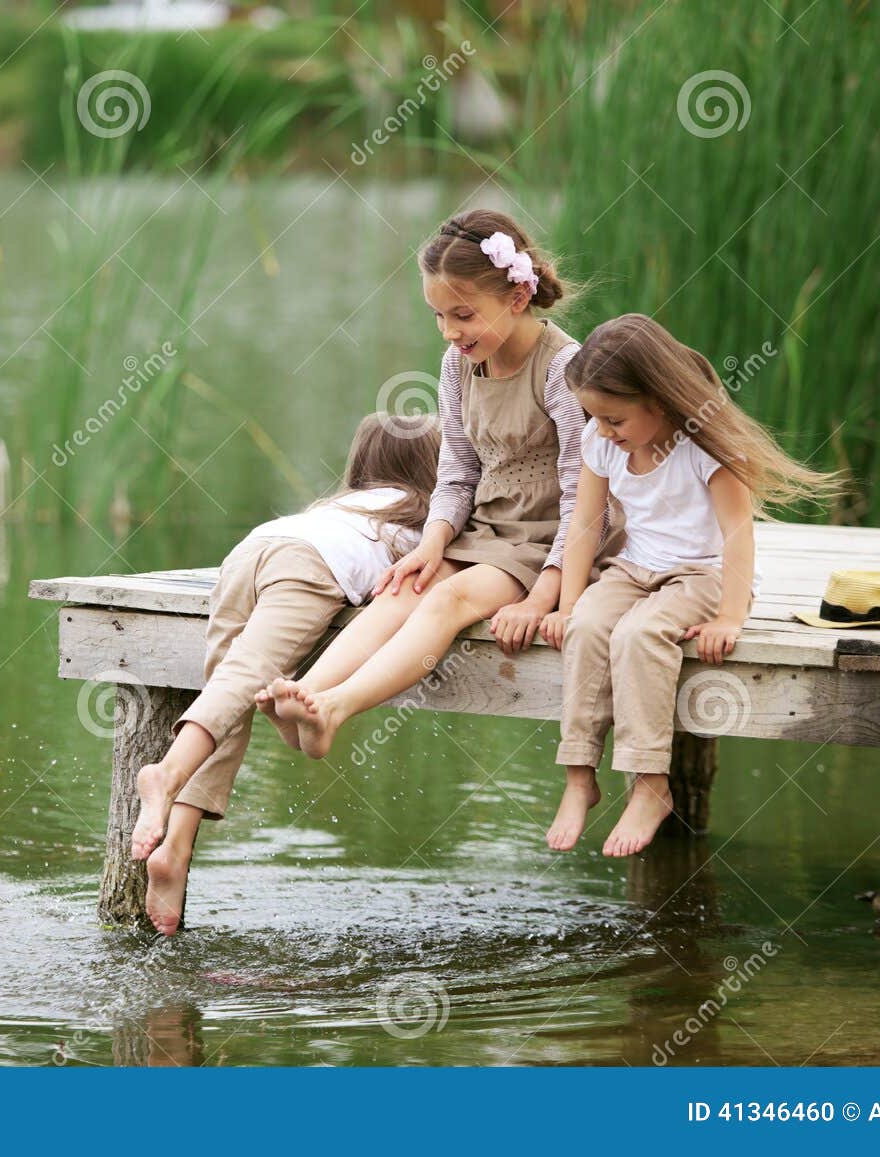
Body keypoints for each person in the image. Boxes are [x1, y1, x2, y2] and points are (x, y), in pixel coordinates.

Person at [269, 208, 622, 761]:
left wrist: (544, 600)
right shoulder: (458, 366)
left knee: (448, 600)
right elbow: (457, 472)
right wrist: (432, 545)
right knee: (402, 589)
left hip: (554, 540)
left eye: (463, 315)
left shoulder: (561, 369)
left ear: (517, 297)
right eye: (438, 316)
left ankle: (336, 709)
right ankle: (308, 696)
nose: (451, 332)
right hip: (488, 531)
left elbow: (586, 499)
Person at [540, 313, 842, 856]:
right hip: (634, 568)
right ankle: (579, 776)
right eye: (595, 418)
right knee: (587, 626)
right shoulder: (601, 441)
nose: (604, 430)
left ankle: (651, 783)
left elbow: (737, 536)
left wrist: (730, 616)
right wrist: (566, 604)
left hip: (703, 574)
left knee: (638, 635)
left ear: (657, 399)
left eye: (614, 418)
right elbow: (585, 526)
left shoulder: (706, 448)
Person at [132, 413, 442, 934]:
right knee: (243, 680)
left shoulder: (338, 507)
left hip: (250, 551)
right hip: (307, 566)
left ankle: (176, 847)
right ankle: (165, 773)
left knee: (226, 693)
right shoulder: (420, 527)